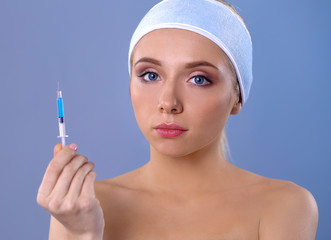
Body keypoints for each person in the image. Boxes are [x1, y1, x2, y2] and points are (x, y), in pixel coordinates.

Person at [37, 0, 319, 239]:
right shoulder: (81, 206)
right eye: (150, 75)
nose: (168, 103)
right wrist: (81, 234)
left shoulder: (284, 206)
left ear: (237, 97)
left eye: (199, 79)